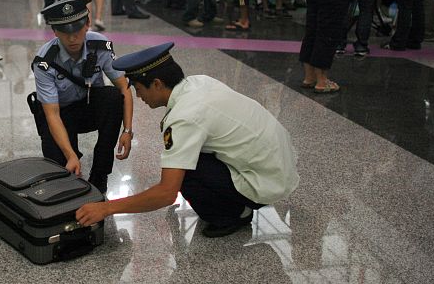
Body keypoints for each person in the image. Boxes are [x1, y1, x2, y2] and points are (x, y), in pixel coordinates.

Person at [75, 42, 299, 238]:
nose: (139, 97)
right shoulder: (198, 82)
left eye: (139, 89)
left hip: (266, 181)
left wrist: (106, 209)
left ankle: (235, 214)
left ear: (157, 84)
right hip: (279, 163)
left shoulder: (184, 117)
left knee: (184, 175)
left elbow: (166, 193)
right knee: (185, 159)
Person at [29, 0, 134, 193]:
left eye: (77, 30)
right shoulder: (44, 61)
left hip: (88, 107)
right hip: (60, 114)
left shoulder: (100, 45)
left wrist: (127, 131)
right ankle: (70, 154)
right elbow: (52, 114)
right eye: (64, 32)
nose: (72, 38)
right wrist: (70, 155)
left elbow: (124, 88)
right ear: (54, 32)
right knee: (60, 172)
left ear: (87, 24)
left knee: (112, 97)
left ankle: (100, 174)